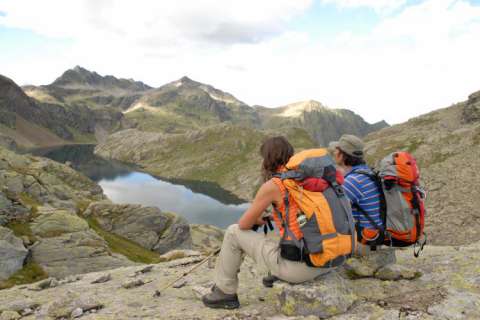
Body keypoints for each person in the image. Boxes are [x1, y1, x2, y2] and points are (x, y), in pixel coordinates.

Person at [202, 136, 331, 310]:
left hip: (302, 269)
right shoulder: (308, 179)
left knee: (233, 232)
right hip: (330, 261)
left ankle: (224, 293)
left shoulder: (274, 184)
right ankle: (280, 272)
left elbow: (243, 225)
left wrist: (256, 219)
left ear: (268, 159)